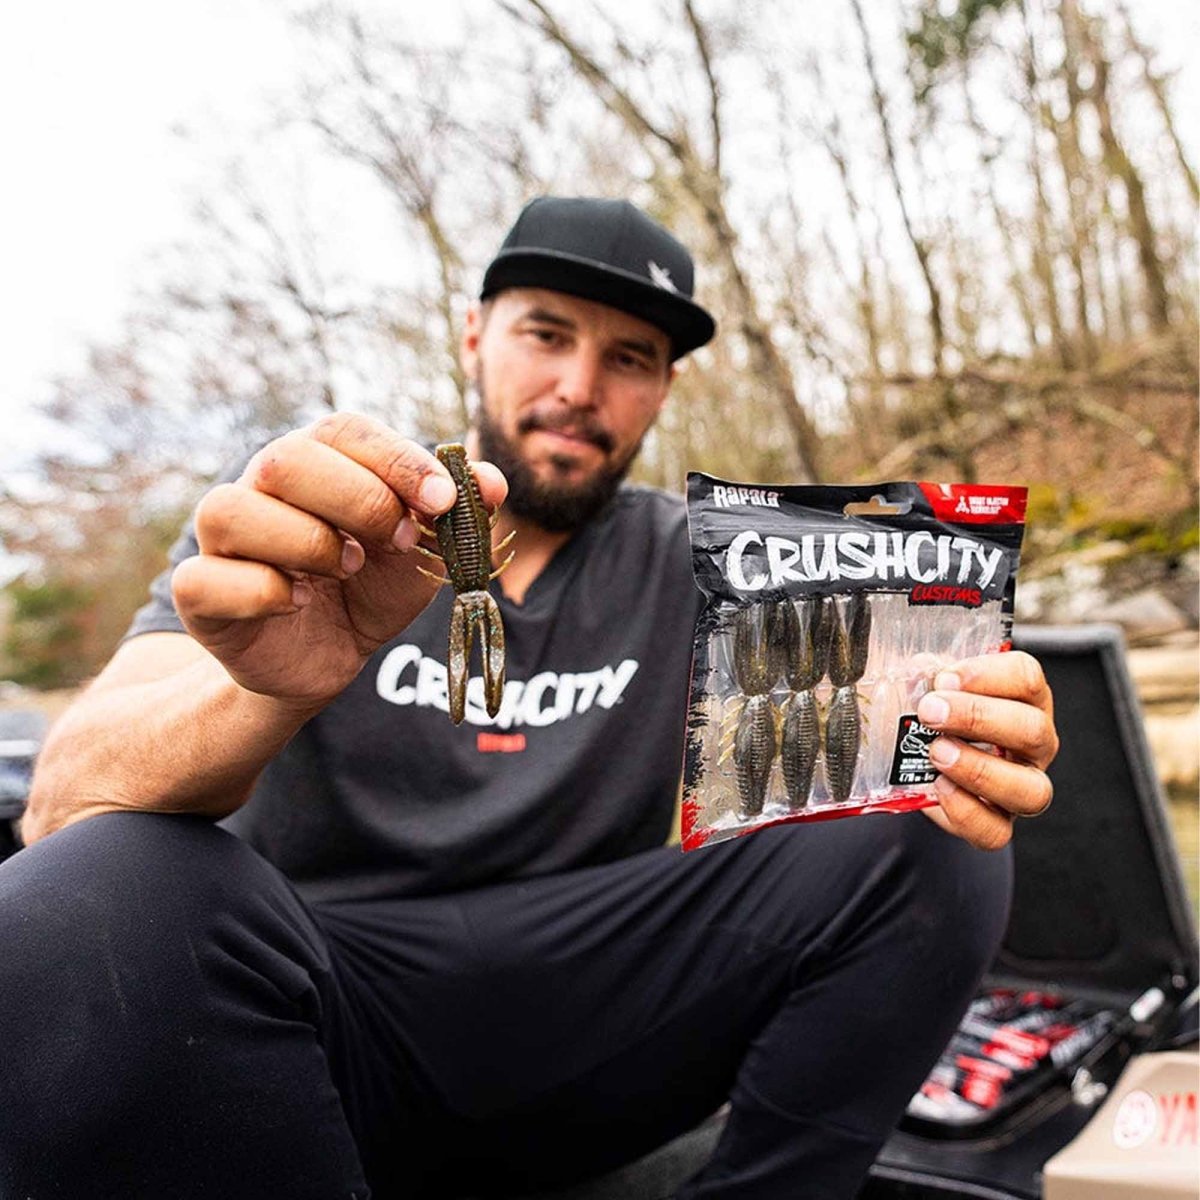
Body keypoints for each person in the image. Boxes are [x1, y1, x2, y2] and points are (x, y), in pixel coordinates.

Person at [0, 197, 1058, 1200]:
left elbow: (924, 738)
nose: (580, 386)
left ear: (663, 389)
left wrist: (969, 730)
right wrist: (258, 692)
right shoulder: (320, 521)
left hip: (599, 1018)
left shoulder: (720, 569)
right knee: (109, 879)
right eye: (546, 334)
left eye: (629, 358)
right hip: (323, 1008)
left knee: (930, 827)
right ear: (474, 338)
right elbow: (59, 810)